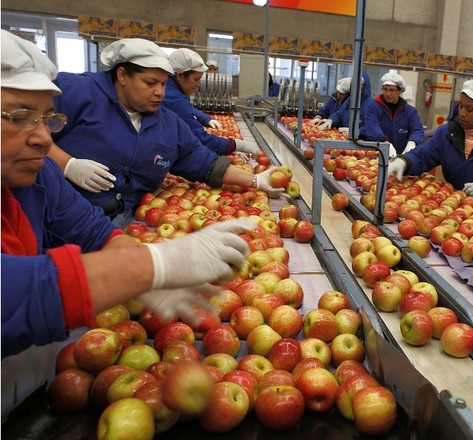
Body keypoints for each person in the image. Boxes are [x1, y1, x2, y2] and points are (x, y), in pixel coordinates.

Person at [0, 30, 257, 357]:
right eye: (21, 118)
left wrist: (142, 267)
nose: (43, 138)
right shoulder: (82, 94)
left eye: (47, 120)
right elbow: (10, 291)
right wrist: (151, 267)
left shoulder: (38, 177)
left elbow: (93, 230)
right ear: (122, 75)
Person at [45, 38, 283, 229]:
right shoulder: (77, 92)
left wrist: (255, 180)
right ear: (122, 75)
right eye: (150, 83)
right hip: (51, 213)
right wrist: (68, 165)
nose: (159, 92)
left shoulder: (168, 125)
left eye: (163, 84)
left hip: (112, 226)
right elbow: (19, 132)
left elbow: (204, 162)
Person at [387, 79, 473, 205]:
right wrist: (405, 161)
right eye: (460, 106)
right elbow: (423, 155)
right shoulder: (447, 134)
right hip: (451, 209)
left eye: (470, 109)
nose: (462, 113)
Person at [163, 48, 258, 157]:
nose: (198, 84)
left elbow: (186, 109)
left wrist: (206, 119)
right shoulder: (173, 98)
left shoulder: (171, 89)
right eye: (196, 79)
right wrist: (236, 145)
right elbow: (200, 139)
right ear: (180, 75)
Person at [361, 72, 424, 157]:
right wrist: (385, 143)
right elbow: (372, 128)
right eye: (385, 89)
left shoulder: (410, 112)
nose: (388, 93)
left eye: (392, 90)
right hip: (377, 155)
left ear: (400, 91)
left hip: (402, 157)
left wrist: (412, 143)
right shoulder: (373, 108)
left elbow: (417, 130)